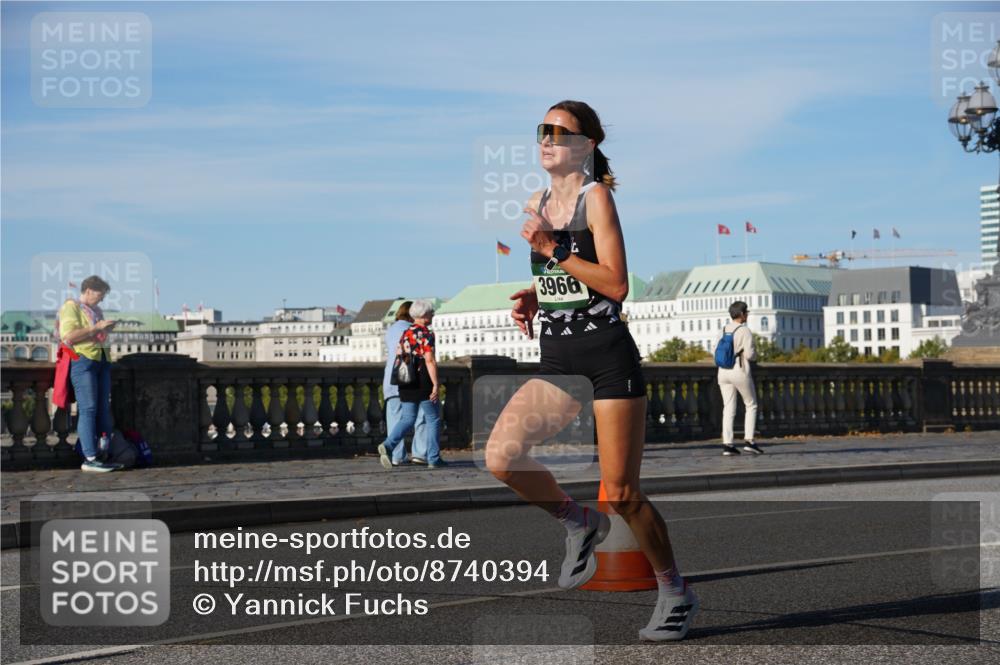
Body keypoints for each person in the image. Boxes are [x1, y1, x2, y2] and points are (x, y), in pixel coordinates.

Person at [484, 101, 698, 642]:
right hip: (558, 355)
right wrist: (536, 295)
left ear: (586, 145)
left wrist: (551, 250)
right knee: (501, 456)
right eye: (542, 130)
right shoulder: (537, 201)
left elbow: (617, 284)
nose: (547, 138)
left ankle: (674, 589)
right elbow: (569, 279)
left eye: (560, 131)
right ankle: (577, 521)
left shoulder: (595, 198)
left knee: (624, 492)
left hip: (606, 355)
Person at [57, 275, 123, 473]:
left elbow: (96, 336)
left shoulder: (97, 310)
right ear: (88, 291)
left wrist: (105, 330)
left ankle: (102, 454)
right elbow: (68, 337)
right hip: (83, 361)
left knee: (103, 408)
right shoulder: (71, 307)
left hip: (101, 361)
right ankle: (89, 458)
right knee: (88, 408)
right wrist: (96, 327)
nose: (101, 300)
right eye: (99, 295)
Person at [377, 299, 446, 469]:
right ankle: (433, 458)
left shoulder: (405, 333)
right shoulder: (426, 334)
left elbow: (400, 356)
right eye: (431, 312)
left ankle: (388, 445)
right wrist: (436, 384)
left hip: (405, 381)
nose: (433, 315)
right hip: (423, 381)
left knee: (407, 418)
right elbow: (429, 360)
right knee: (433, 418)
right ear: (423, 315)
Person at [382, 301, 429, 465]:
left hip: (391, 378)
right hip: (411, 379)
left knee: (395, 419)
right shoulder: (414, 330)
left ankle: (396, 456)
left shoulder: (390, 330)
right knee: (421, 416)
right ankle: (420, 453)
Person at [717, 300, 762, 456]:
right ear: (742, 314)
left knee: (728, 407)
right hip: (738, 369)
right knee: (751, 404)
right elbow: (750, 355)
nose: (747, 315)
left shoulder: (723, 329)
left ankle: (727, 444)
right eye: (746, 312)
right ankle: (749, 441)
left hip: (722, 372)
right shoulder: (744, 331)